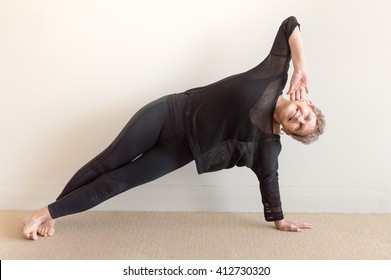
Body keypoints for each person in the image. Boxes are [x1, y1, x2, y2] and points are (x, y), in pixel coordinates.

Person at [23, 16, 325, 240]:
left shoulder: (268, 145)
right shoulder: (274, 75)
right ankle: (51, 211)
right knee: (107, 162)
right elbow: (290, 26)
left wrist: (281, 221)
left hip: (180, 150)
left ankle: (51, 212)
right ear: (306, 102)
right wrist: (300, 66)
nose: (298, 119)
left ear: (289, 132)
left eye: (299, 126)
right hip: (168, 113)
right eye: (305, 115)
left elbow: (269, 182)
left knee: (117, 182)